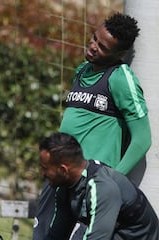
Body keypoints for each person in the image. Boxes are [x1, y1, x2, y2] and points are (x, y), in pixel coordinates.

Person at [32, 13, 151, 239]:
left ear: (120, 54)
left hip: (89, 185)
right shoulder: (82, 70)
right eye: (94, 38)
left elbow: (142, 138)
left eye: (103, 47)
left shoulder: (120, 77)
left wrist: (112, 180)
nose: (94, 46)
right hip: (60, 176)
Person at [39, 132, 159, 240]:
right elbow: (56, 235)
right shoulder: (64, 188)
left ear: (63, 170)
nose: (42, 173)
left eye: (45, 168)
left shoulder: (102, 188)